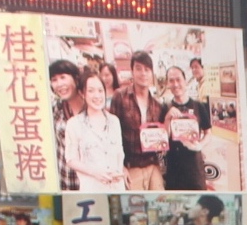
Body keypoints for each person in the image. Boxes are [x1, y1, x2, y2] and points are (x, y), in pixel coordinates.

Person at [110, 51, 167, 191]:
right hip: (131, 166)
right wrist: (119, 166)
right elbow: (111, 134)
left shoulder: (158, 105)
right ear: (132, 71)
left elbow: (161, 137)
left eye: (147, 70)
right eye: (139, 68)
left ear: (152, 73)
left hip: (153, 165)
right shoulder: (120, 97)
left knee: (159, 203)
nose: (143, 73)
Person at [64, 69, 125, 192]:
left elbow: (119, 153)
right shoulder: (74, 124)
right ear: (82, 93)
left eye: (100, 90)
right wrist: (95, 173)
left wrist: (118, 172)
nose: (97, 96)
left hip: (116, 188)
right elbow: (71, 159)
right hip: (92, 189)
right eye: (91, 91)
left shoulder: (114, 121)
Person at [159, 66, 211, 190]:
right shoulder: (165, 108)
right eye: (171, 81)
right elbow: (162, 140)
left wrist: (200, 145)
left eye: (178, 79)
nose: (175, 84)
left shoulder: (198, 105)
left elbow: (208, 132)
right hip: (174, 166)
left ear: (185, 81)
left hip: (194, 166)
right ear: (167, 84)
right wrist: (167, 119)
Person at [49, 59, 85, 191]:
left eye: (63, 77)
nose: (59, 84)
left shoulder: (92, 108)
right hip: (66, 180)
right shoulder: (54, 109)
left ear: (76, 79)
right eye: (54, 80)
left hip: (91, 181)